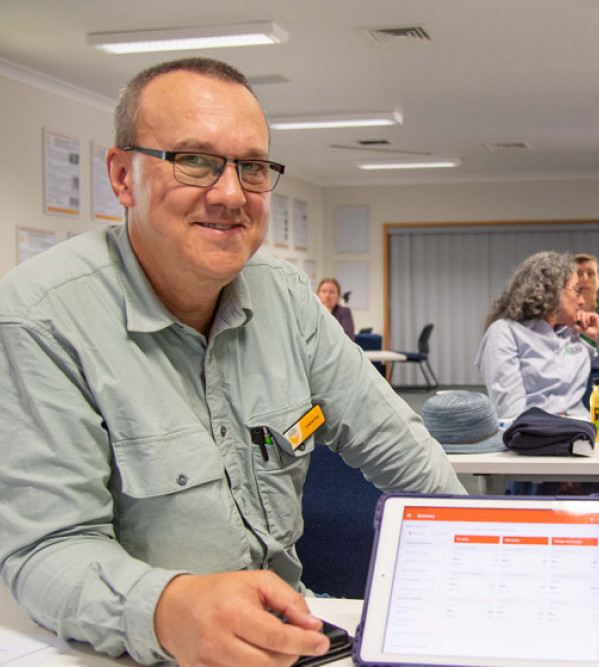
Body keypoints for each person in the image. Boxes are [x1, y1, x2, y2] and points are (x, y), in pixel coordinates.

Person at [0, 57, 464, 666]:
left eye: (251, 167)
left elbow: (398, 446)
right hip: (137, 652)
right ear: (122, 176)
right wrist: (169, 607)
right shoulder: (39, 318)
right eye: (194, 160)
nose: (228, 193)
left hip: (291, 638)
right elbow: (47, 549)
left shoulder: (284, 294)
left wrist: (486, 545)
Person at [475, 251, 599, 420]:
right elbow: (512, 414)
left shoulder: (570, 336)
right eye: (576, 291)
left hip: (582, 432)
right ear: (551, 291)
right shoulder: (505, 333)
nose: (581, 301)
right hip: (535, 437)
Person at [317, 277, 355, 341]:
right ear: (318, 295)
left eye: (331, 292)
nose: (327, 296)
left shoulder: (344, 312)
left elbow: (348, 338)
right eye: (324, 292)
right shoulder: (312, 313)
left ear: (338, 296)